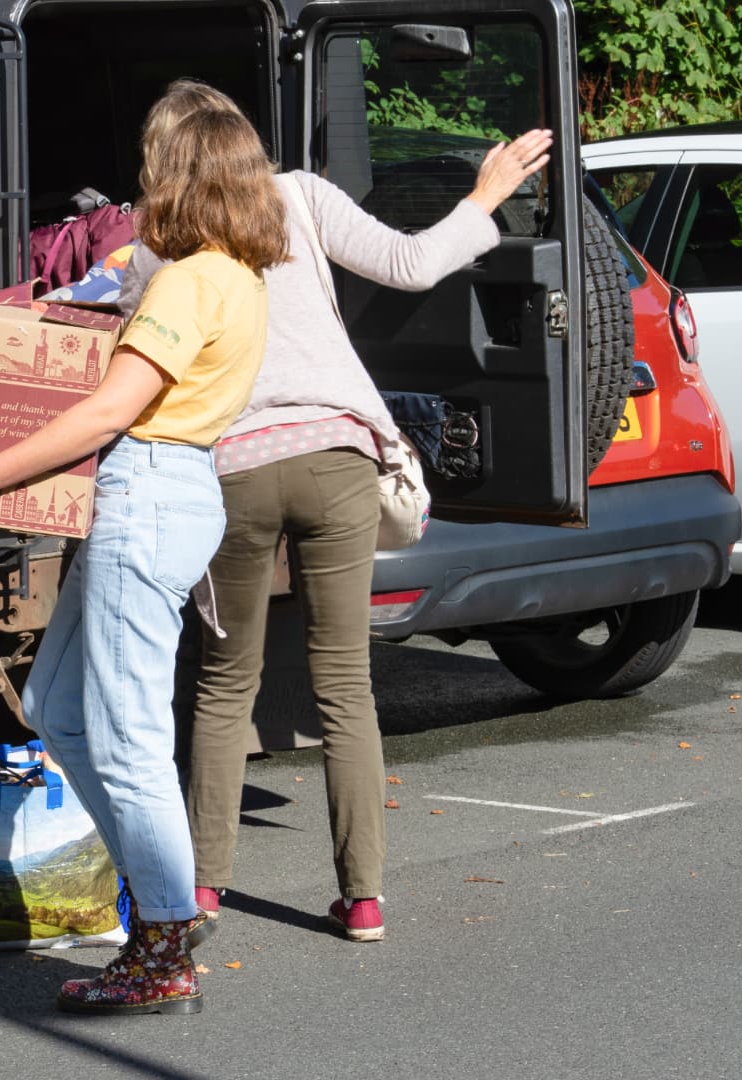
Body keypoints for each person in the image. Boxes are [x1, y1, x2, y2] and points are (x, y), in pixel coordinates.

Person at [117, 80, 551, 944]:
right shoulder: (300, 197)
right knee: (345, 684)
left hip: (235, 465)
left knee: (224, 685)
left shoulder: (154, 246)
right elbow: (412, 265)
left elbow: (141, 367)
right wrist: (483, 196)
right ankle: (363, 900)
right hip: (339, 454)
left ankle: (203, 889)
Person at [0, 102, 288, 1016]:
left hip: (147, 495)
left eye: (151, 164)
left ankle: (165, 936)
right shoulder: (236, 275)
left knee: (128, 738)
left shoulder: (190, 282)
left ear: (181, 174)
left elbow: (106, 412)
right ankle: (158, 901)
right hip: (174, 491)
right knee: (54, 704)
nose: (140, 183)